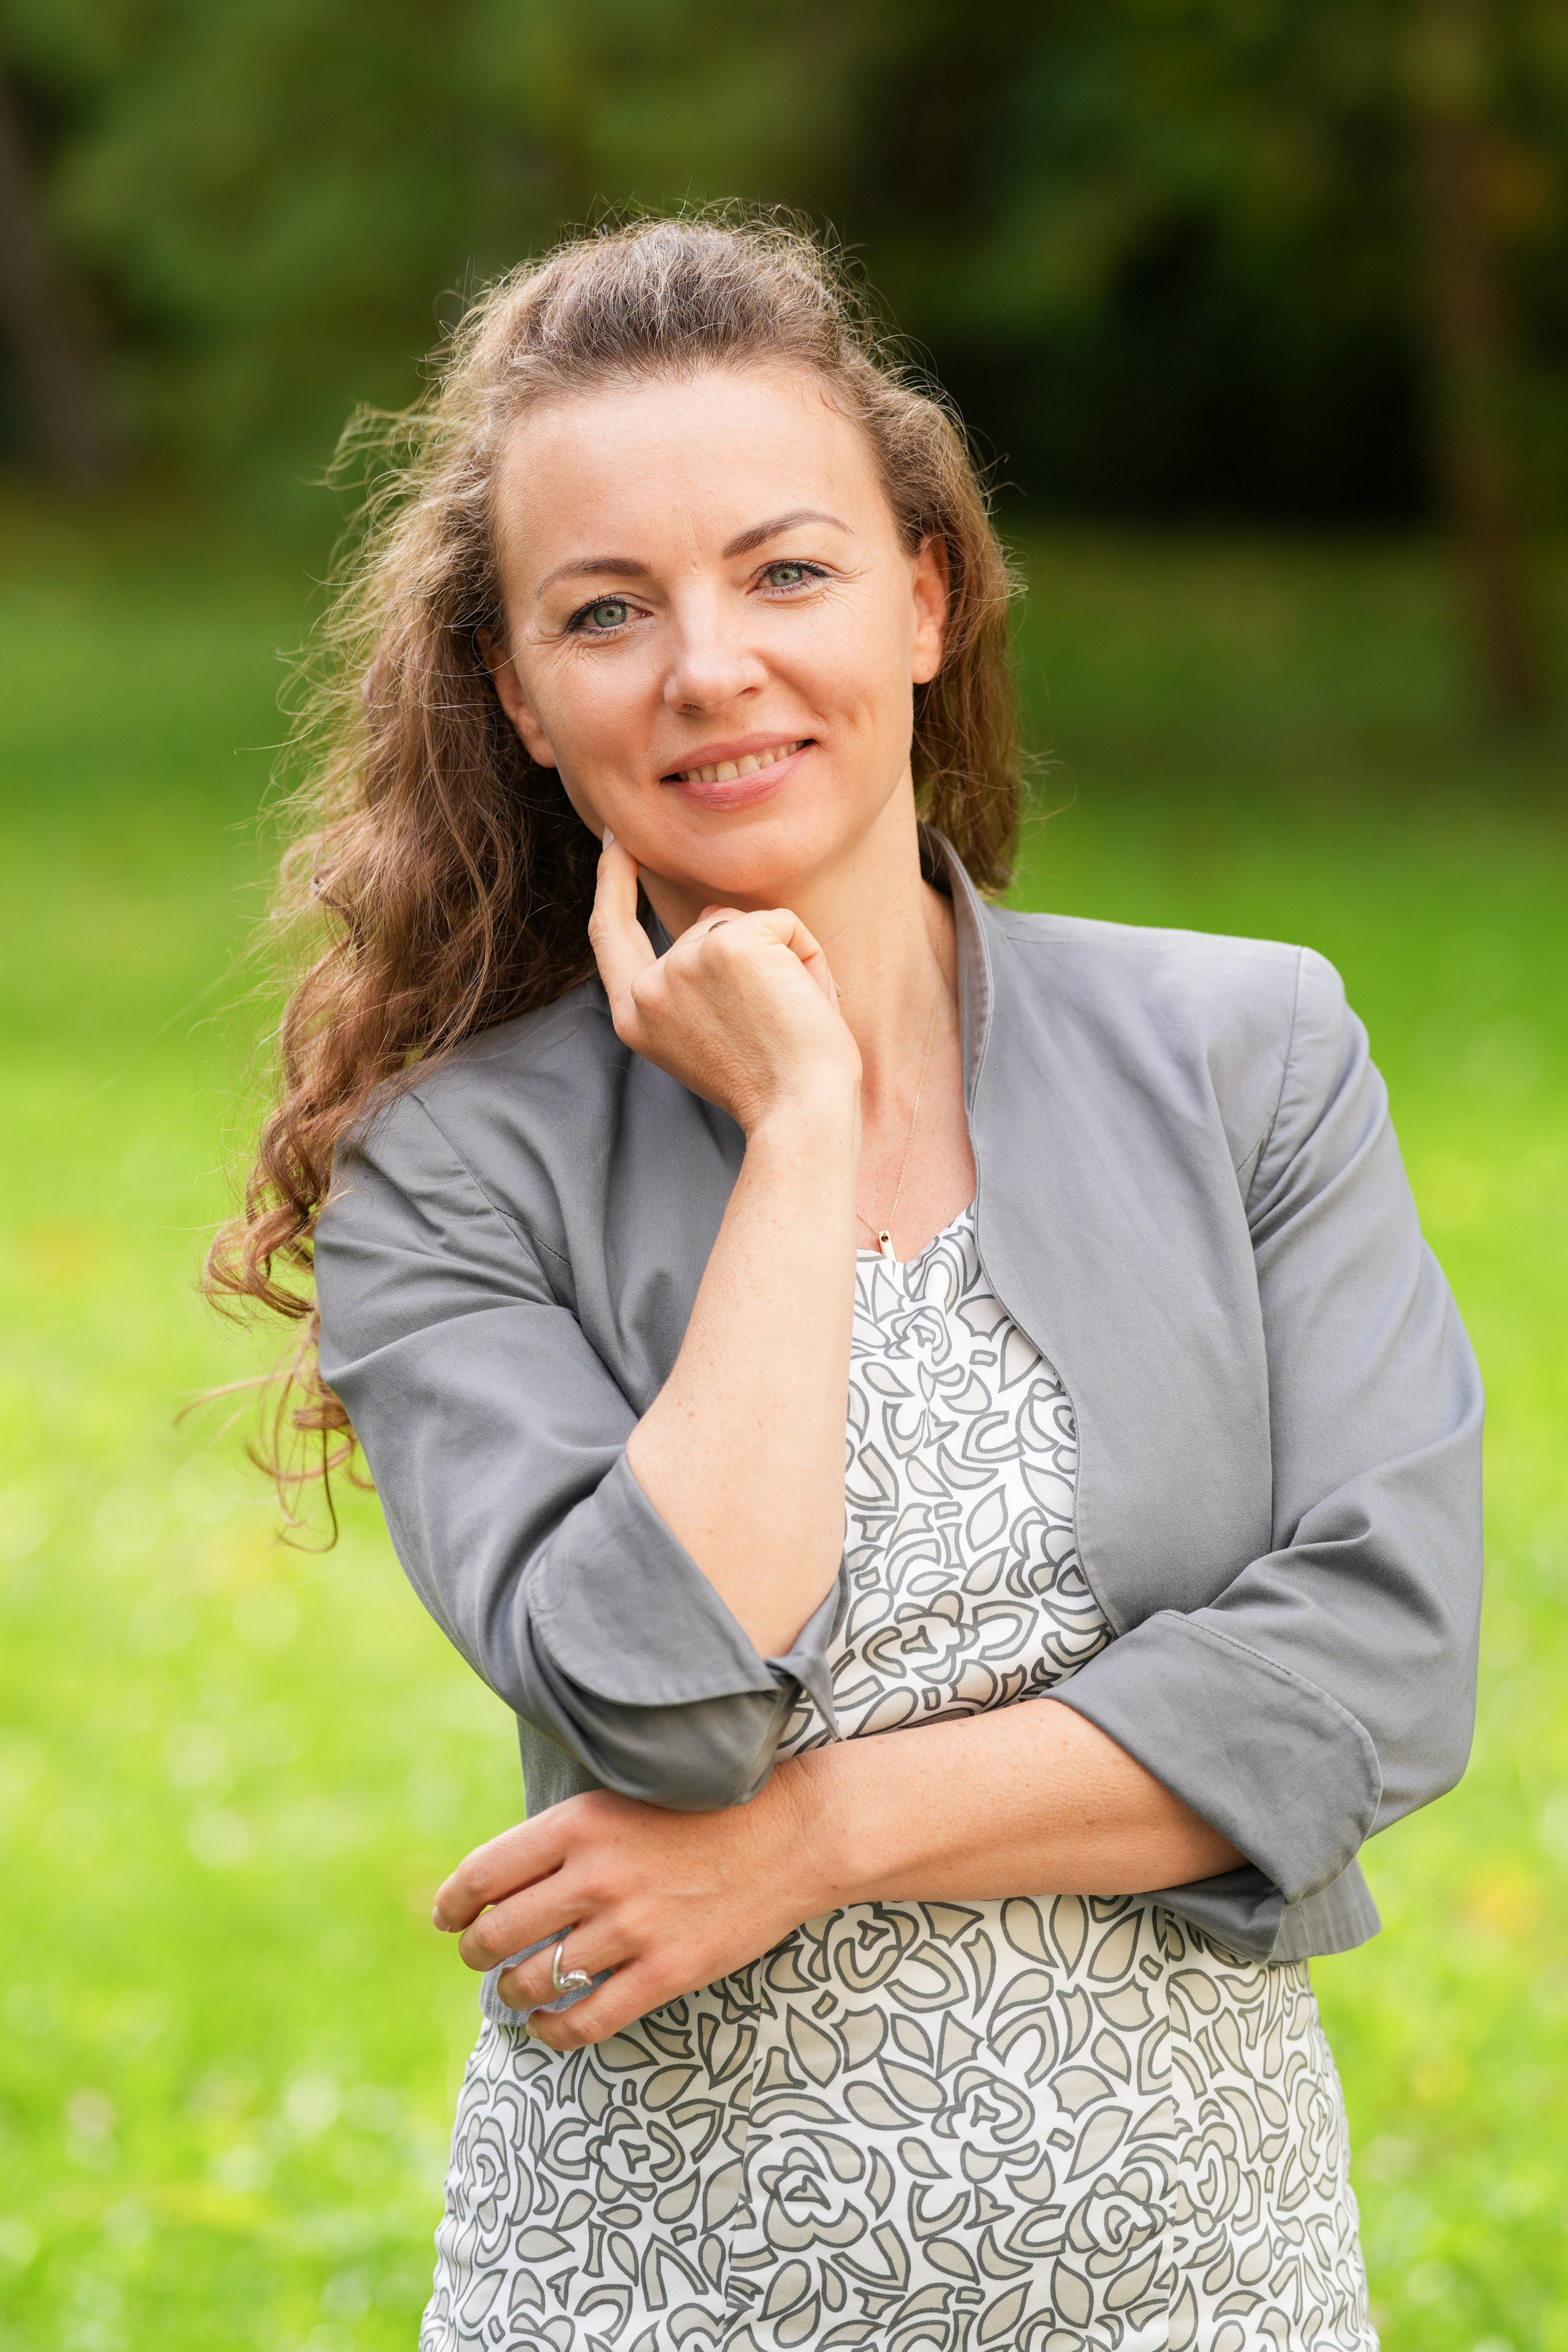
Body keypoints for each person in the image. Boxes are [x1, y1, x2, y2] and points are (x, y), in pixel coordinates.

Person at [212, 214, 1483, 2352]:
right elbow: (665, 1701)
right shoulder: (446, 1171)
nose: (708, 667)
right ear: (520, 699)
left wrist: (812, 1843)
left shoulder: (1255, 1054)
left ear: (927, 591)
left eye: (784, 571)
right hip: (648, 2298)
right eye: (607, 612)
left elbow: (1376, 1666)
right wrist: (798, 1141)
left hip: (1211, 2290)